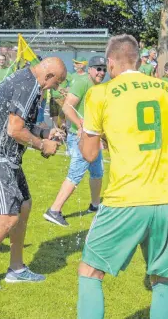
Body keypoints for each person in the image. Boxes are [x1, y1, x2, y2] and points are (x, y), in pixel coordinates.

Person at [77, 34, 168, 319]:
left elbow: (89, 154)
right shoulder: (167, 90)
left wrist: (82, 136)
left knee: (90, 271)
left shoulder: (100, 93)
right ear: (137, 59)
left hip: (126, 198)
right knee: (162, 277)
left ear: (110, 63)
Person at [0, 57, 67, 291]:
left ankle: (17, 268)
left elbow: (21, 123)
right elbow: (14, 130)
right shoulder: (28, 86)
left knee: (24, 205)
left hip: (7, 156)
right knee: (9, 216)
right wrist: (43, 145)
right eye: (57, 83)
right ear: (49, 76)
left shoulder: (27, 79)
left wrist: (44, 132)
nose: (55, 88)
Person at [43, 56, 106, 227]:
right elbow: (67, 107)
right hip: (82, 137)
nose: (101, 72)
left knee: (97, 172)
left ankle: (95, 205)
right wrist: (80, 125)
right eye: (98, 69)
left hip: (93, 137)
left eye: (104, 69)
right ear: (90, 69)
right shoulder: (82, 82)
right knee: (75, 174)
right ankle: (54, 210)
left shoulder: (98, 86)